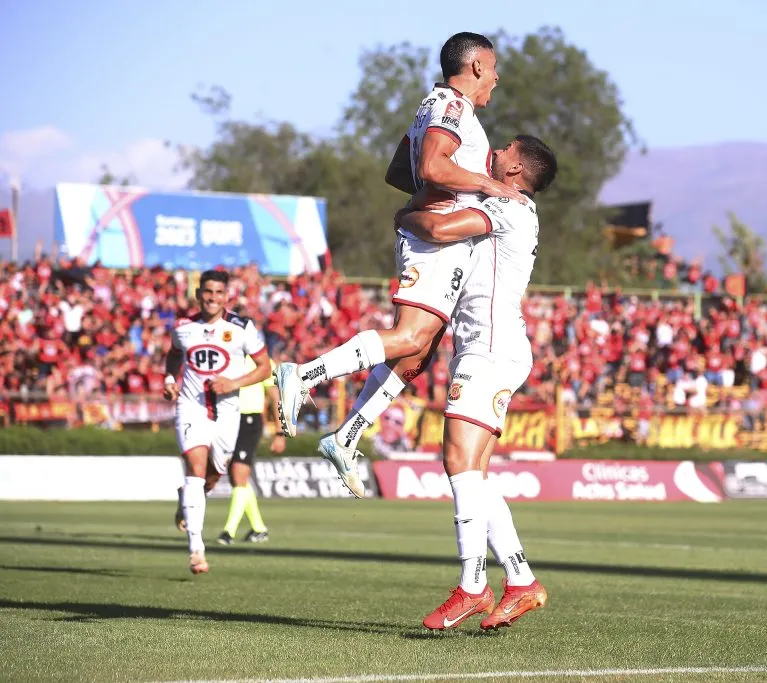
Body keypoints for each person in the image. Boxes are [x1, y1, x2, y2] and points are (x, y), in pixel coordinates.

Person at [274, 32, 522, 497]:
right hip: (435, 240)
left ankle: (347, 435)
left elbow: (399, 171)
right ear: (474, 67)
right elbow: (430, 166)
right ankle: (303, 375)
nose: (497, 77)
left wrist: (434, 193)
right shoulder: (452, 107)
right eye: (492, 67)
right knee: (410, 336)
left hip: (433, 233)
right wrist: (484, 185)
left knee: (418, 351)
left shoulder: (436, 107)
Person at [395, 135, 557, 630]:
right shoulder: (503, 202)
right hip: (490, 347)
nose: (498, 150)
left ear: (516, 169)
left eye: (506, 148)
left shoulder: (509, 208)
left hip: (490, 348)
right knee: (474, 473)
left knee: (459, 463)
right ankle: (522, 580)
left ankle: (471, 586)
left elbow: (441, 230)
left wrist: (404, 218)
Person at [164, 270, 271, 574]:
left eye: (219, 293)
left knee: (212, 477)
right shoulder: (184, 328)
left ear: (227, 296)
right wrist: (170, 378)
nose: (212, 298)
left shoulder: (241, 328)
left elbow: (264, 368)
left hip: (227, 411)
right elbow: (173, 355)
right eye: (207, 292)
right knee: (196, 470)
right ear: (198, 294)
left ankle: (186, 498)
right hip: (191, 407)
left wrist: (234, 383)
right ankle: (196, 550)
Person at [217, 356, 286, 544]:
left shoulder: (260, 360)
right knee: (235, 477)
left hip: (249, 419)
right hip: (228, 419)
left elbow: (275, 396)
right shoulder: (227, 355)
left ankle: (228, 532)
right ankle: (259, 528)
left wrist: (280, 432)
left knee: (239, 474)